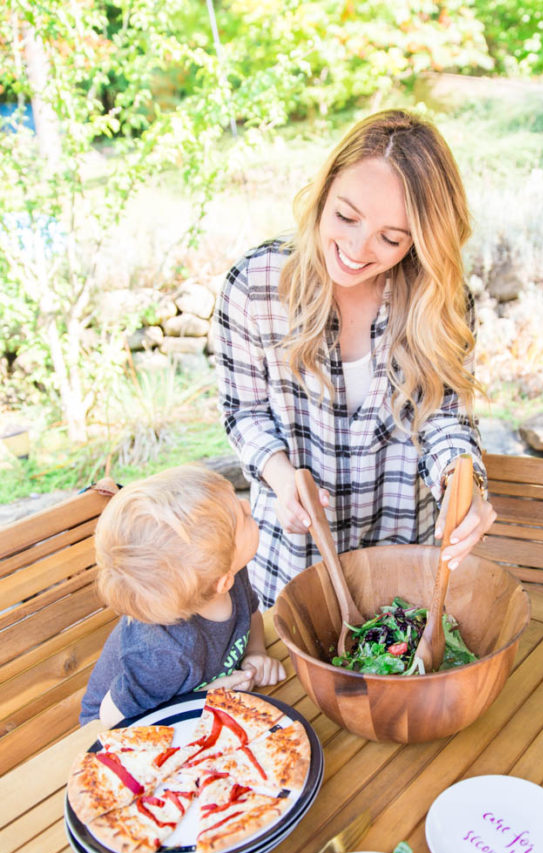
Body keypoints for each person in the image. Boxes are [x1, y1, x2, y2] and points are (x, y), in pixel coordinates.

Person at [214, 108, 496, 609]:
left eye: (391, 238)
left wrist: (462, 481)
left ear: (421, 241)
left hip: (408, 576)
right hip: (291, 575)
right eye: (346, 216)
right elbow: (246, 415)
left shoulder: (440, 301)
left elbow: (445, 420)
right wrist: (283, 480)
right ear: (323, 192)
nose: (356, 249)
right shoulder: (255, 285)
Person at [79, 464, 285, 727]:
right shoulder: (164, 656)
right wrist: (202, 698)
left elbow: (250, 613)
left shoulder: (229, 573)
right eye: (241, 517)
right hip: (125, 729)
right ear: (221, 582)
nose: (247, 505)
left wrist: (255, 652)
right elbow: (106, 719)